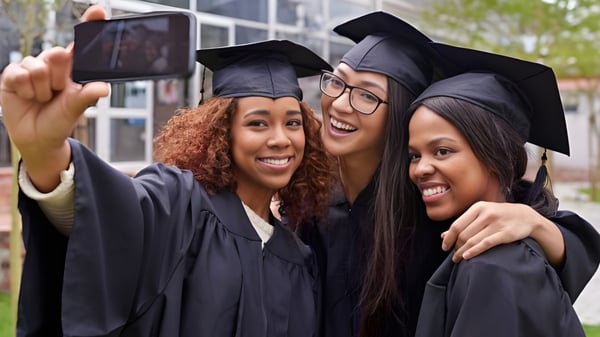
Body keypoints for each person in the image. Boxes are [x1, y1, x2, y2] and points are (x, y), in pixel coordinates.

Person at [0, 6, 336, 337]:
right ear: (221, 132)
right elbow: (109, 216)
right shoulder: (180, 205)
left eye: (292, 122)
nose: (280, 139)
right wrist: (44, 152)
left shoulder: (299, 260)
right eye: (257, 123)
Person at [299, 10, 600, 337]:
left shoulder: (430, 211)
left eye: (367, 95)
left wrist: (538, 225)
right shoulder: (310, 202)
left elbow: (527, 257)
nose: (341, 103)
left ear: (401, 117)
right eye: (337, 82)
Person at [404, 42, 594, 336]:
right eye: (414, 155)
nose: (420, 168)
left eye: (442, 151)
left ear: (497, 155)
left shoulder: (492, 266)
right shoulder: (484, 247)